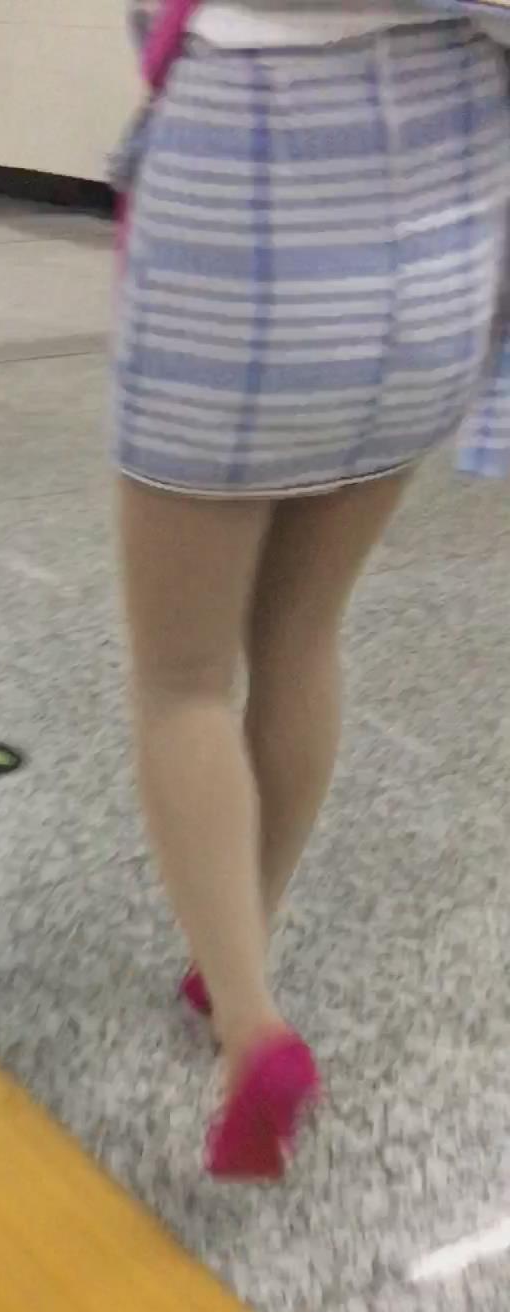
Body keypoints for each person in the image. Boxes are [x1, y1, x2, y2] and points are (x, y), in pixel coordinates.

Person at [115, 1, 510, 1180]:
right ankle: (235, 938)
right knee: (301, 633)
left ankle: (251, 1023)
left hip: (248, 176)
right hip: (443, 222)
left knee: (183, 678)